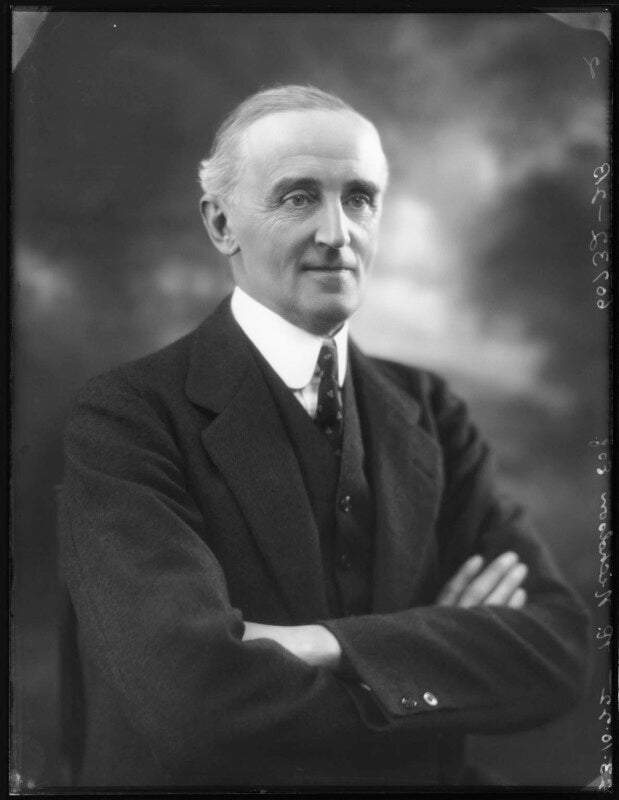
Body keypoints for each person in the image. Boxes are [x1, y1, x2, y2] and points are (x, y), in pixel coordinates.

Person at [59, 85, 588, 787]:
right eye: (298, 197)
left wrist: (319, 644)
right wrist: (433, 654)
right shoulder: (125, 418)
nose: (338, 233)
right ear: (221, 223)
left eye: (360, 198)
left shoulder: (429, 409)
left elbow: (558, 649)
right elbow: (193, 706)